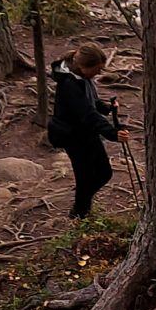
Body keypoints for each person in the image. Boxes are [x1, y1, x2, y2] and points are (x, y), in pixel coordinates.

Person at [46, 44, 127, 220]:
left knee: (103, 173)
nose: (97, 74)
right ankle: (80, 212)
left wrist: (106, 108)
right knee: (85, 176)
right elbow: (87, 113)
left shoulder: (81, 77)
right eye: (96, 70)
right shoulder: (68, 84)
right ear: (83, 67)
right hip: (73, 136)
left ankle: (82, 206)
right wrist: (112, 133)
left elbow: (92, 102)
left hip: (87, 133)